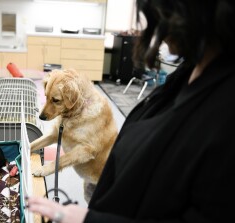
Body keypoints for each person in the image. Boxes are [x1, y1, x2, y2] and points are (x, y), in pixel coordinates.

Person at [26, 0, 235, 222]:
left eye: (163, 14)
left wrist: (90, 219)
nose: (159, 29)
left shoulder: (224, 109)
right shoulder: (188, 72)